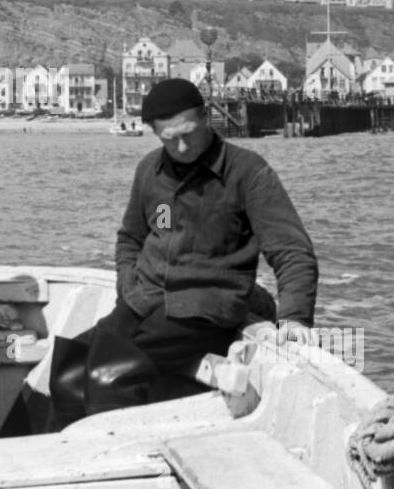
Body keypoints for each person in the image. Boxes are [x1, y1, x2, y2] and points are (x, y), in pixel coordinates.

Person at [50, 78, 318, 424]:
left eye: (188, 133)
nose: (180, 146)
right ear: (154, 132)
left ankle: (122, 462)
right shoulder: (149, 170)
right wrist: (127, 287)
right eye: (168, 138)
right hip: (142, 302)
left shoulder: (248, 172)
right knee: (68, 368)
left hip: (203, 309)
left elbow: (292, 250)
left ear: (206, 117)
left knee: (108, 374)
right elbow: (130, 238)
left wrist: (295, 316)